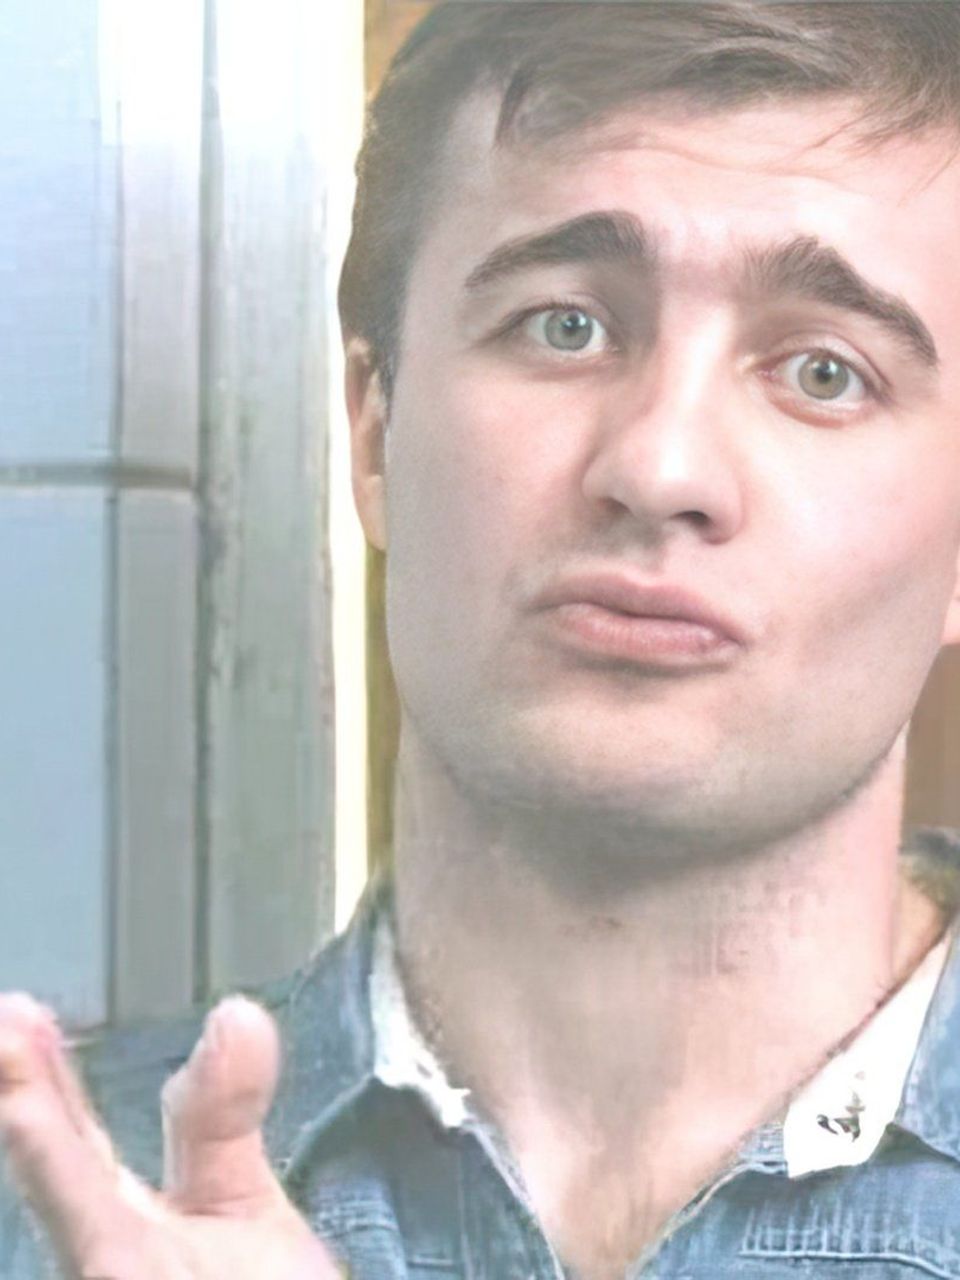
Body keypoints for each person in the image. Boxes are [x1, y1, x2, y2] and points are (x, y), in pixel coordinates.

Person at [4, 1, 960, 1276]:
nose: (660, 468)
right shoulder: (45, 1215)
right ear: (373, 430)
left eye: (825, 371)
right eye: (566, 325)